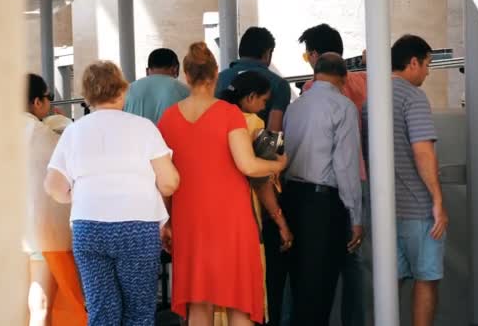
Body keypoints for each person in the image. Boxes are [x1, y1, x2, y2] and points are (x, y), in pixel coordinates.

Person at [157, 42, 287, 326]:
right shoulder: (229, 114)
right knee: (237, 302)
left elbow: (163, 180)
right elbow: (248, 165)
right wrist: (278, 164)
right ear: (215, 74)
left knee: (198, 304)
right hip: (230, 219)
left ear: (186, 77)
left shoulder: (167, 119)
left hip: (189, 218)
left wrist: (166, 221)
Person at [44, 61, 180, 326]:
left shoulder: (74, 131)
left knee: (101, 310)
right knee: (138, 312)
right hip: (137, 227)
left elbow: (53, 186)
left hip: (88, 227)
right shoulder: (144, 128)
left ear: (87, 96)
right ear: (122, 91)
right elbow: (169, 183)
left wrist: (81, 195)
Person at [363, 34, 448, 326]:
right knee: (426, 279)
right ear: (413, 62)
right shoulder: (413, 97)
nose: (427, 72)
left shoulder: (370, 101)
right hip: (417, 208)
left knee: (390, 283)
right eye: (427, 64)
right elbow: (423, 151)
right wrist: (437, 200)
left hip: (383, 210)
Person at [283, 53, 363, 326]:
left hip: (292, 199)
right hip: (323, 204)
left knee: (300, 282)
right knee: (321, 285)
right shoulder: (343, 107)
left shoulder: (295, 107)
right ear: (344, 78)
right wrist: (355, 216)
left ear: (315, 75)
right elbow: (346, 166)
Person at [298, 23, 370, 326]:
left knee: (318, 266)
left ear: (315, 56)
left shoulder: (309, 93)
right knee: (354, 263)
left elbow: (340, 160)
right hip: (361, 180)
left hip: (323, 189)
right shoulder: (366, 81)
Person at [220, 71, 294, 326]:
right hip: (243, 219)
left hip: (208, 218)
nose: (264, 108)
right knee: (243, 292)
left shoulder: (211, 116)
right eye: (263, 101)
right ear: (250, 97)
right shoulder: (252, 123)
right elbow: (261, 182)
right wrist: (281, 221)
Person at [23, 74, 86, 326]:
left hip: (2, 235)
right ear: (37, 102)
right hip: (38, 230)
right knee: (41, 303)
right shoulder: (42, 133)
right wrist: (58, 120)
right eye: (48, 98)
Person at [215, 27, 291, 131]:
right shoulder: (279, 84)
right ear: (267, 53)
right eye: (264, 101)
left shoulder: (217, 80)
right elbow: (273, 133)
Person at [124, 48, 190, 124]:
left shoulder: (126, 91)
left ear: (147, 70)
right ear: (175, 69)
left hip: (134, 135)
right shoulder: (185, 91)